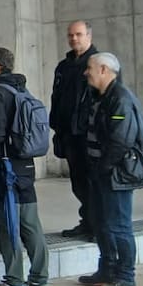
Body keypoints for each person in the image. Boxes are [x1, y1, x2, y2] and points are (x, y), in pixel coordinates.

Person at [0, 48, 51, 286]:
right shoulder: (21, 88)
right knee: (31, 224)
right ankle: (40, 280)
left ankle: (13, 283)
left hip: (6, 167)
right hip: (25, 165)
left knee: (8, 225)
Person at [80, 52, 143, 286]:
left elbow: (121, 140)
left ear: (104, 70)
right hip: (101, 171)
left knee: (119, 226)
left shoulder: (120, 98)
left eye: (90, 68)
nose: (86, 72)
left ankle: (126, 277)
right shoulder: (100, 96)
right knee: (100, 222)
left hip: (115, 173)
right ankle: (107, 269)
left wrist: (104, 167)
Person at [50, 20, 99, 239]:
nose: (74, 39)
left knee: (93, 182)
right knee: (78, 182)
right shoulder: (64, 66)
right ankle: (87, 221)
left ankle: (97, 225)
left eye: (78, 34)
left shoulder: (99, 63)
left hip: (88, 134)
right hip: (68, 133)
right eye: (71, 35)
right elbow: (57, 97)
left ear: (89, 35)